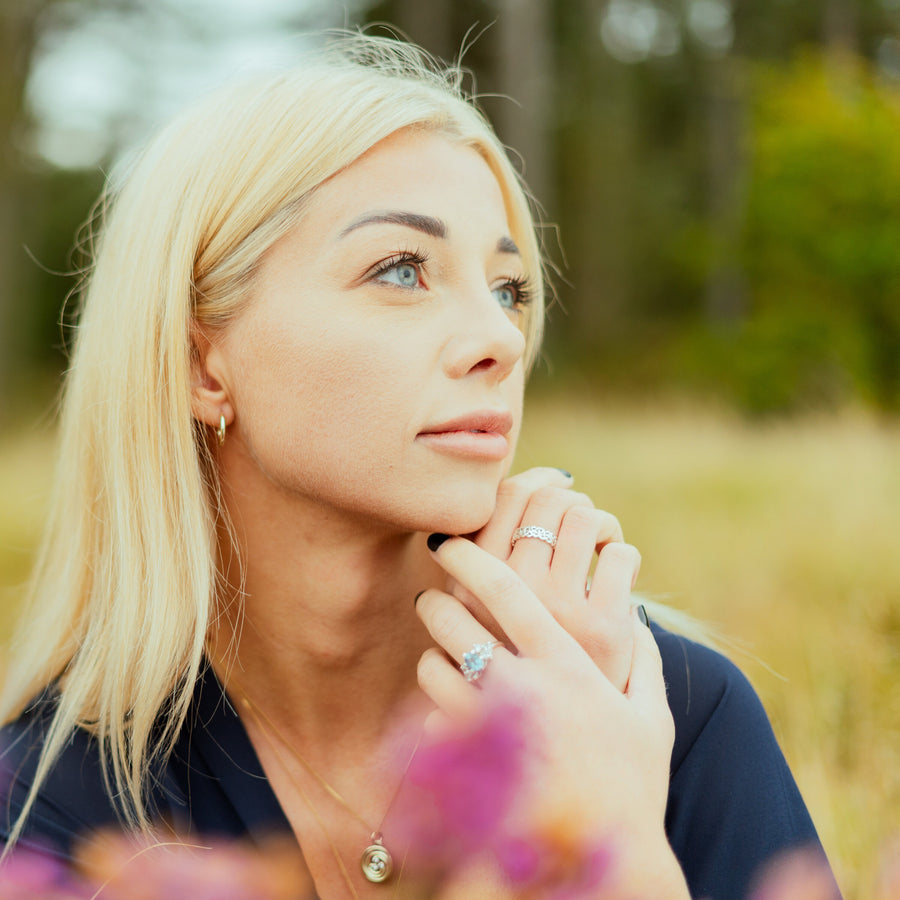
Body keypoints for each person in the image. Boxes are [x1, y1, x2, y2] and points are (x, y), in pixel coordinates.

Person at [0, 33, 838, 900]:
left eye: (508, 289)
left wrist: (615, 839)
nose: (500, 340)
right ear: (201, 365)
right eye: (401, 270)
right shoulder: (57, 807)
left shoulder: (662, 713)